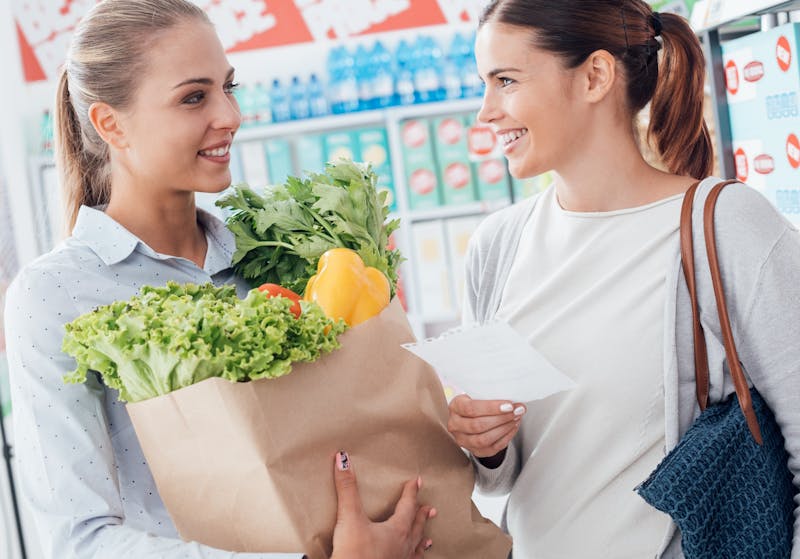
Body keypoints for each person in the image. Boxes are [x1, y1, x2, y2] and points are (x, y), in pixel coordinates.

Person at [3, 1, 434, 558]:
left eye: (229, 87)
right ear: (110, 124)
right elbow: (76, 541)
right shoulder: (54, 295)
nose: (230, 115)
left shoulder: (275, 252)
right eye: (193, 97)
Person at [446, 1, 800, 557]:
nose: (486, 112)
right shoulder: (497, 248)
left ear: (595, 76)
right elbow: (500, 480)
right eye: (485, 84)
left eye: (506, 81)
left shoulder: (725, 227)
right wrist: (485, 445)